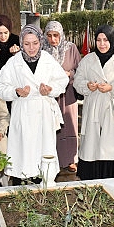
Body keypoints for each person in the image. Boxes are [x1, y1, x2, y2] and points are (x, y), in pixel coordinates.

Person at [0, 24, 68, 185]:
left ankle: (45, 183)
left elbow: (63, 80)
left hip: (43, 111)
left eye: (35, 43)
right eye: (27, 44)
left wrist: (50, 89)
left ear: (40, 41)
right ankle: (20, 185)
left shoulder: (48, 60)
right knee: (23, 152)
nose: (31, 47)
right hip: (23, 111)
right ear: (21, 43)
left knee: (43, 151)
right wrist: (16, 91)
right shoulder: (14, 62)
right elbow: (0, 87)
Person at [73, 24, 114, 183]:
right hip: (93, 106)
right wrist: (87, 85)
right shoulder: (88, 59)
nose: (102, 44)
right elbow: (77, 81)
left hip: (112, 108)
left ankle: (112, 182)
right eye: (99, 40)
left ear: (112, 40)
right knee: (92, 146)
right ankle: (92, 181)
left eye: (106, 40)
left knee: (111, 146)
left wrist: (112, 87)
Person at [42, 20, 82, 173]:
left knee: (69, 125)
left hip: (67, 94)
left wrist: (69, 74)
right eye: (50, 35)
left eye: (56, 35)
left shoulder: (70, 48)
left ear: (61, 35)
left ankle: (70, 159)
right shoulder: (42, 49)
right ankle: (52, 159)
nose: (53, 39)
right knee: (51, 126)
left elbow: (80, 71)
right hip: (50, 96)